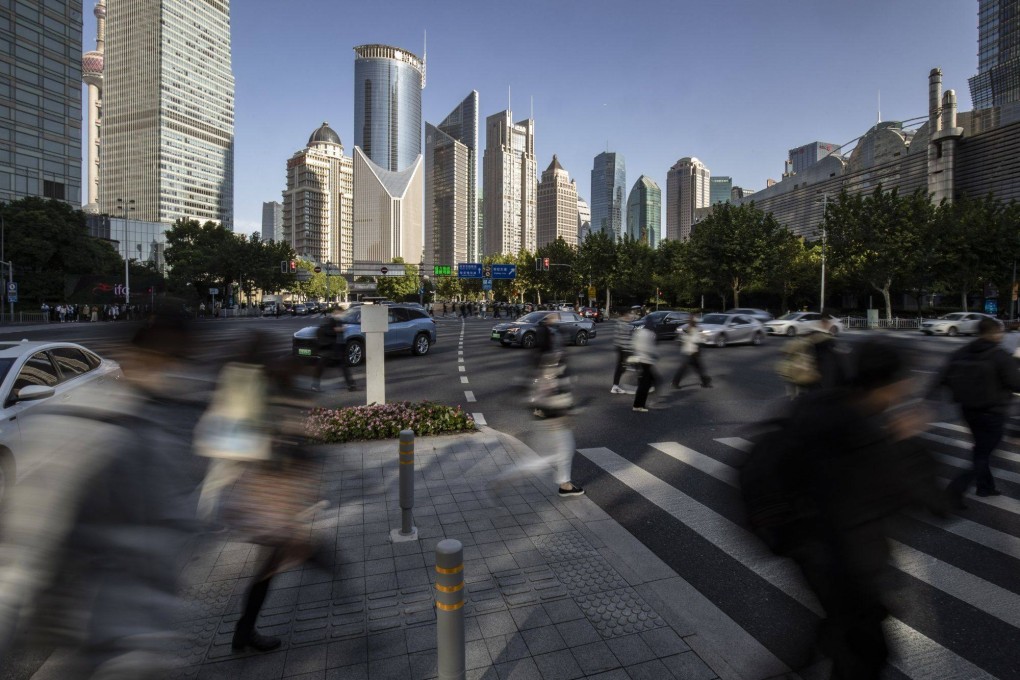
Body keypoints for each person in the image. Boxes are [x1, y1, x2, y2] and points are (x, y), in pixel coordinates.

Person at [0, 299, 203, 678]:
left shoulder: (158, 425)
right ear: (133, 357)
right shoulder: (80, 431)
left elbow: (168, 529)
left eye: (179, 360)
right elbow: (23, 554)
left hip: (145, 642)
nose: (173, 372)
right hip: (92, 642)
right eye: (162, 358)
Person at [745, 340, 938, 679]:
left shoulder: (817, 404)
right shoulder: (867, 434)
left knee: (842, 631)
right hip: (847, 561)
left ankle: (803, 665)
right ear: (893, 383)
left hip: (805, 548)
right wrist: (908, 443)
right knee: (865, 652)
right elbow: (925, 500)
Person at [931, 316, 1020, 503]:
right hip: (993, 413)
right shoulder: (999, 355)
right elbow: (1016, 383)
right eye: (1000, 332)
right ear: (994, 333)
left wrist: (930, 398)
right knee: (984, 454)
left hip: (967, 410)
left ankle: (985, 487)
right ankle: (954, 491)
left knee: (981, 449)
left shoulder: (962, 351)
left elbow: (943, 376)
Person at [311, 310, 355, 392]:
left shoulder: (339, 321)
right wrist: (336, 330)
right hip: (329, 348)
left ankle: (351, 385)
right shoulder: (329, 320)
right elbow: (325, 331)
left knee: (343, 367)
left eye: (341, 313)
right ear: (335, 312)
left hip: (338, 348)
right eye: (339, 312)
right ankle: (315, 385)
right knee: (321, 366)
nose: (341, 314)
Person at [671, 316, 712, 388]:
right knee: (692, 368)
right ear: (694, 323)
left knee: (696, 368)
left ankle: (705, 382)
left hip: (689, 351)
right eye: (696, 322)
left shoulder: (687, 329)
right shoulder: (693, 329)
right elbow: (697, 340)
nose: (697, 323)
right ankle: (675, 383)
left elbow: (683, 339)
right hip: (692, 352)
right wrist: (704, 337)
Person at [631, 315, 660, 412]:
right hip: (646, 361)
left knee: (645, 382)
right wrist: (656, 355)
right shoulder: (651, 334)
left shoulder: (639, 332)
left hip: (638, 359)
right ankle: (639, 405)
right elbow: (651, 348)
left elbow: (634, 344)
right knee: (645, 384)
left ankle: (639, 404)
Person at [610, 307, 637, 394]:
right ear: (625, 314)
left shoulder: (619, 322)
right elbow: (629, 336)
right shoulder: (624, 324)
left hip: (619, 348)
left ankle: (615, 386)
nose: (629, 315)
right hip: (625, 349)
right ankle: (642, 385)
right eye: (628, 314)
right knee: (635, 365)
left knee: (621, 367)